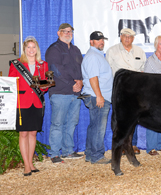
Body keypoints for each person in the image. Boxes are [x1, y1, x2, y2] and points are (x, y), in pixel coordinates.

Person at [8, 36, 49, 176]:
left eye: (33, 47)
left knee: (33, 133)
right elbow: (11, 83)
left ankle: (31, 163)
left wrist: (45, 86)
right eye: (28, 47)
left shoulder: (43, 65)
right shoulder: (16, 64)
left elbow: (44, 86)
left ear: (37, 49)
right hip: (22, 103)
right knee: (23, 133)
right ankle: (26, 164)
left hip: (37, 102)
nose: (31, 50)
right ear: (25, 49)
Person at [45, 23, 83, 163]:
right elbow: (56, 70)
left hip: (75, 93)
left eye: (70, 31)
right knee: (58, 124)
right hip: (60, 92)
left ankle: (68, 151)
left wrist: (81, 82)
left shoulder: (75, 50)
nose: (68, 33)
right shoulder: (54, 49)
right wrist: (74, 83)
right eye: (64, 31)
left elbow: (81, 68)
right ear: (58, 33)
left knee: (71, 123)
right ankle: (54, 153)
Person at [106, 28, 146, 154]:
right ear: (120, 37)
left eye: (130, 36)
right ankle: (120, 144)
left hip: (136, 92)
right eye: (125, 36)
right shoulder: (112, 51)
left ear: (133, 38)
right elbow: (108, 72)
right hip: (120, 91)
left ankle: (132, 144)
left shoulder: (139, 51)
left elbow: (143, 71)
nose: (127, 38)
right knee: (120, 118)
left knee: (135, 118)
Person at [81, 31, 113, 164]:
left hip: (98, 95)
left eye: (102, 40)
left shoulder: (97, 55)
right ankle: (97, 156)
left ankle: (90, 154)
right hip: (98, 96)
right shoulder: (93, 56)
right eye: (98, 40)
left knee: (94, 126)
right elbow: (93, 78)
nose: (101, 42)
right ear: (91, 41)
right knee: (99, 127)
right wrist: (99, 96)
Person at [143, 36, 161, 156]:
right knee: (153, 119)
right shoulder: (150, 60)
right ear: (156, 45)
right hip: (154, 95)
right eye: (160, 44)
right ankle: (150, 147)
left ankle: (160, 144)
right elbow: (147, 80)